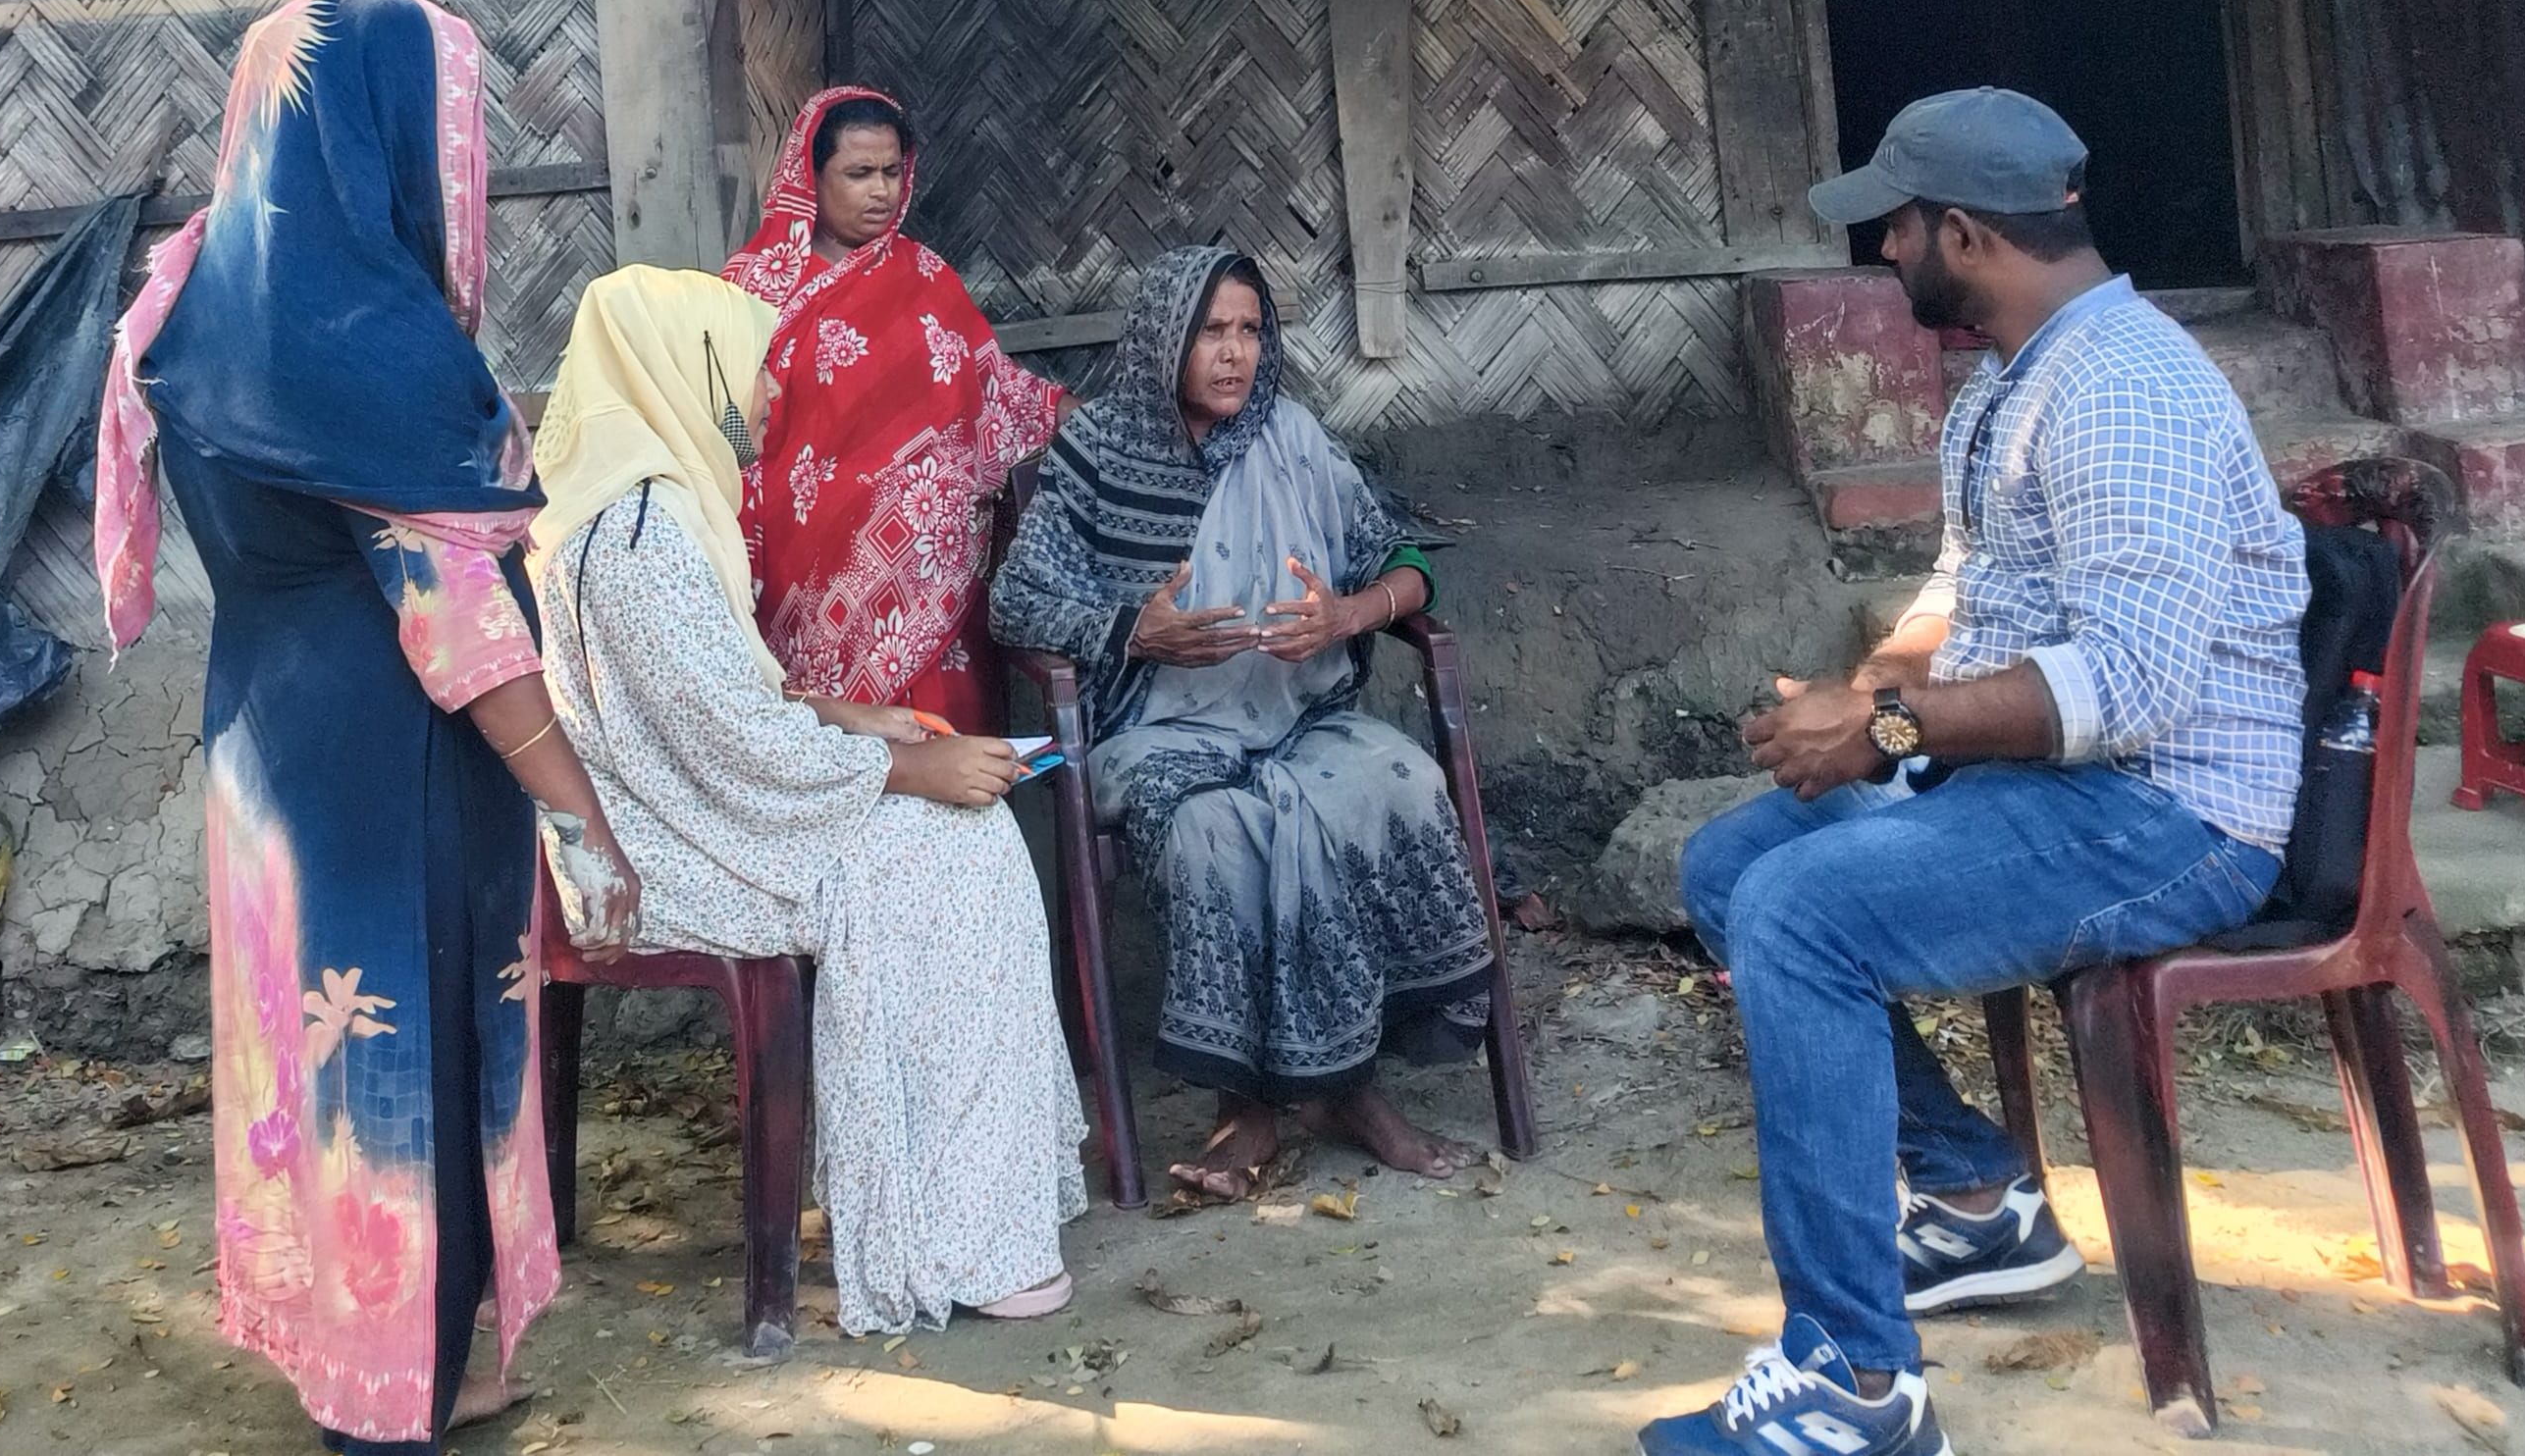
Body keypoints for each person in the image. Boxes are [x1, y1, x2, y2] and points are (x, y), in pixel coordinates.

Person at [1643, 88, 2309, 1456]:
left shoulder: (2125, 387)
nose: (1882, 251)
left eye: (1895, 224)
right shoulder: (2019, 374)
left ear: (1963, 230)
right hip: (2060, 784)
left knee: (1801, 911)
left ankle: (1857, 1386)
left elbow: (2134, 686)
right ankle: (1973, 1198)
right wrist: (1870, 686)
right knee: (1730, 864)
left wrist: (1886, 736)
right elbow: (1971, 590)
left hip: (2167, 812)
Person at [93, 0, 642, 1456]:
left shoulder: (187, 292)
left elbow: (139, 536)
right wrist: (579, 809)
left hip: (267, 746)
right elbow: (455, 625)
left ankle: (359, 1365)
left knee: (312, 1060)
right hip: (397, 762)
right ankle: (396, 1401)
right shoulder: (365, 355)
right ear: (386, 134)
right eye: (445, 127)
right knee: (410, 1069)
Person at [526, 263, 1087, 1331]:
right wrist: (904, 767)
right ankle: (954, 1236)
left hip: (701, 806)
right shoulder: (638, 535)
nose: (767, 397)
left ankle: (972, 1201)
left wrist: (851, 715)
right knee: (950, 860)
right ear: (685, 369)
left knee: (963, 842)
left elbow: (727, 700)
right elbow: (726, 738)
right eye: (748, 370)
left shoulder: (644, 503)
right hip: (680, 841)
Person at [989, 246, 1490, 1198]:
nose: (1233, 354)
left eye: (1250, 330)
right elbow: (1017, 602)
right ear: (1165, 337)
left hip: (1301, 720)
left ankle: (1348, 1086)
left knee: (1402, 780)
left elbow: (1407, 557)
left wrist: (1351, 612)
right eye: (1211, 331)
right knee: (1224, 829)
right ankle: (1253, 1107)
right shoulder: (1100, 452)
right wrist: (1138, 629)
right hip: (1160, 733)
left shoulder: (1292, 436)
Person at [722, 86, 1065, 739]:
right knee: (836, 753)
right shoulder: (748, 290)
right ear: (809, 175)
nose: (880, 191)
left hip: (932, 579)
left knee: (949, 747)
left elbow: (997, 389)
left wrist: (1086, 419)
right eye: (858, 174)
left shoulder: (926, 275)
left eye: (891, 171)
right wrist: (740, 489)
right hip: (807, 576)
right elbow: (718, 415)